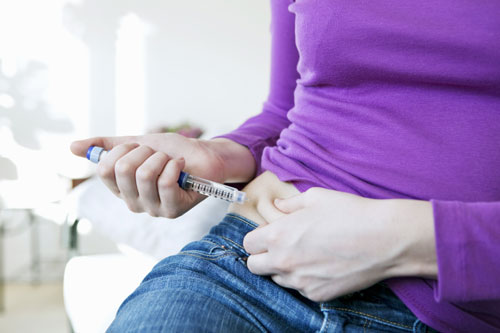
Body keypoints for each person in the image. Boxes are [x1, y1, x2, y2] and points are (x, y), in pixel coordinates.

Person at [70, 0, 500, 331]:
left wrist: (406, 238)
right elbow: (284, 107)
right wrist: (220, 154)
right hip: (259, 255)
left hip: (465, 307)